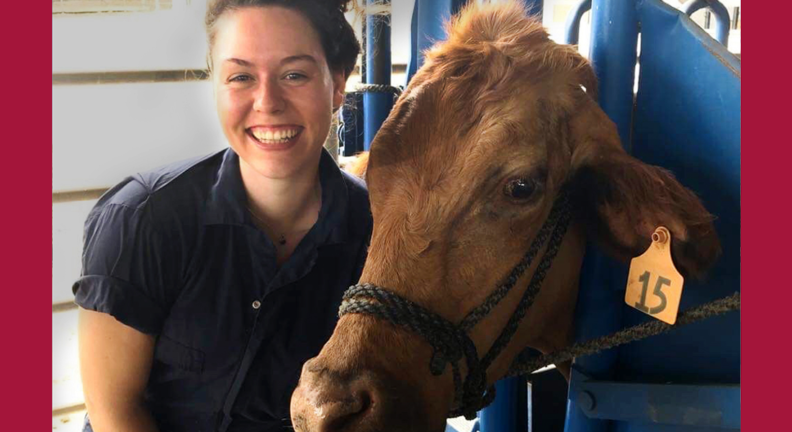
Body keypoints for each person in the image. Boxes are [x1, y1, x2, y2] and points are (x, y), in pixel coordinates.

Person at [72, 1, 371, 431]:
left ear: (338, 84)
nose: (267, 102)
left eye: (294, 74)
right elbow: (113, 412)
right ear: (215, 84)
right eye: (241, 77)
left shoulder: (376, 230)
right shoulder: (141, 219)